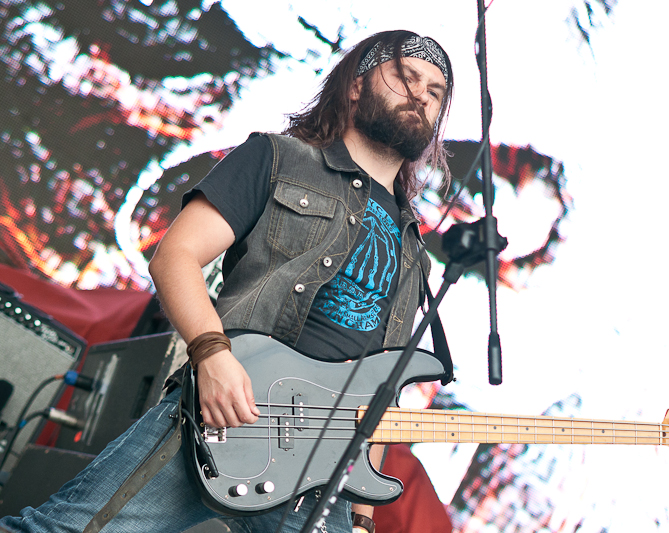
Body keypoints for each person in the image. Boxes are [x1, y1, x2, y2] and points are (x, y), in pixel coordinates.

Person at [0, 29, 453, 533]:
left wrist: (363, 515)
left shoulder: (415, 248)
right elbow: (176, 256)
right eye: (405, 77)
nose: (420, 95)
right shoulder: (278, 159)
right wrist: (212, 354)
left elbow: (382, 385)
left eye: (435, 93)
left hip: (322, 478)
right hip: (224, 416)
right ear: (356, 86)